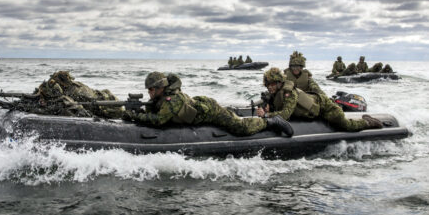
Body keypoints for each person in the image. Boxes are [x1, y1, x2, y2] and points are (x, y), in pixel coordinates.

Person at [123, 72, 293, 136]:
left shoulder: (172, 99)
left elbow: (159, 120)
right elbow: (152, 110)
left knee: (240, 128)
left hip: (210, 111)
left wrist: (134, 116)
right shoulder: (160, 98)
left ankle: (269, 121)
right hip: (199, 106)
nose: (149, 93)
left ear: (160, 87)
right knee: (232, 116)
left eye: (152, 89)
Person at [257, 67, 383, 131]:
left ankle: (369, 122)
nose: (270, 87)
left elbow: (285, 114)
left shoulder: (289, 93)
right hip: (313, 112)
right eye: (268, 85)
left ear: (279, 83)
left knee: (346, 126)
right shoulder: (276, 95)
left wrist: (267, 114)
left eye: (272, 84)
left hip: (325, 107)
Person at [35, 71, 123, 118]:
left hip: (109, 105)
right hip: (104, 99)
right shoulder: (72, 87)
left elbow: (92, 105)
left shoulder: (77, 91)